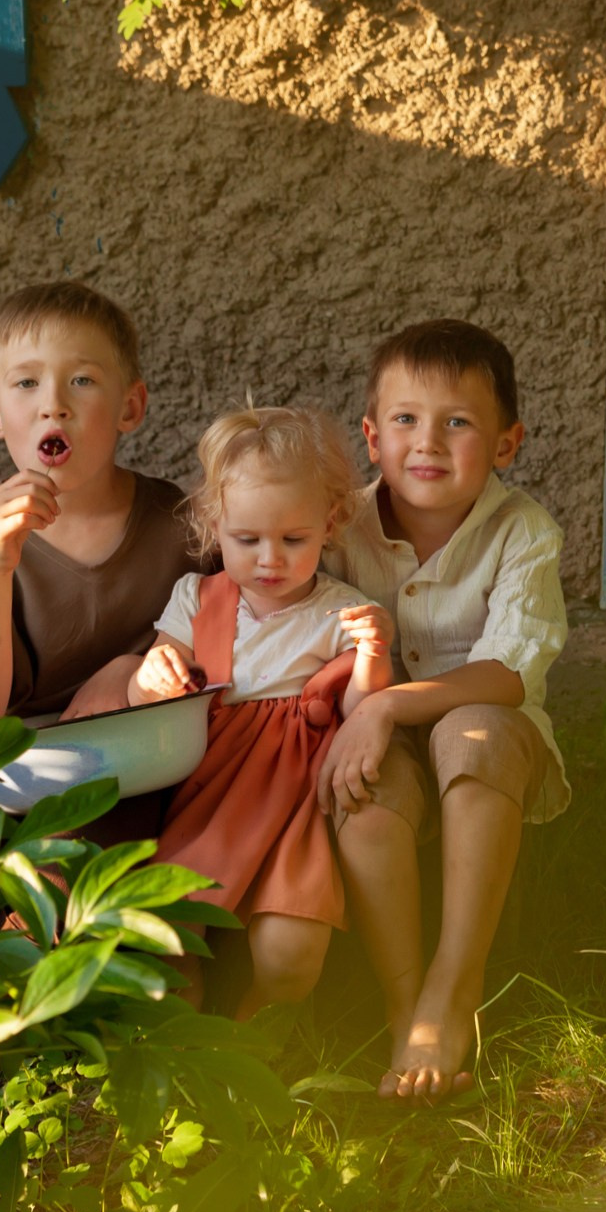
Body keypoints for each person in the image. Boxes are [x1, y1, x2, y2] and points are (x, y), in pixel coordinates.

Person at [315, 320, 570, 1102]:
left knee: (473, 732)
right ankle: (402, 1005)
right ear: (370, 435)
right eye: (404, 420)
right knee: (364, 791)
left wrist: (390, 702)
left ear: (505, 442)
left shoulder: (521, 529)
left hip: (485, 732)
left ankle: (453, 988)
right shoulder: (337, 526)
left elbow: (505, 674)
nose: (427, 442)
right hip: (374, 732)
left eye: (457, 422)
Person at [0, 282, 199, 865]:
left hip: (132, 776)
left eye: (82, 380)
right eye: (27, 382)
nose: (53, 404)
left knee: (61, 888)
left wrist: (128, 671)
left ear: (130, 408)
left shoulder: (182, 526)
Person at [129, 406, 394, 1019]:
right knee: (164, 939)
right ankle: (183, 1038)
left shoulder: (341, 611)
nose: (269, 559)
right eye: (247, 540)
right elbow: (156, 681)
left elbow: (362, 706)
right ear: (215, 525)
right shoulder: (199, 598)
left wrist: (372, 654)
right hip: (212, 801)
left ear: (329, 525)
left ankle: (256, 1024)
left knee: (290, 955)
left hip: (297, 806)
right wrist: (151, 675)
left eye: (293, 539)